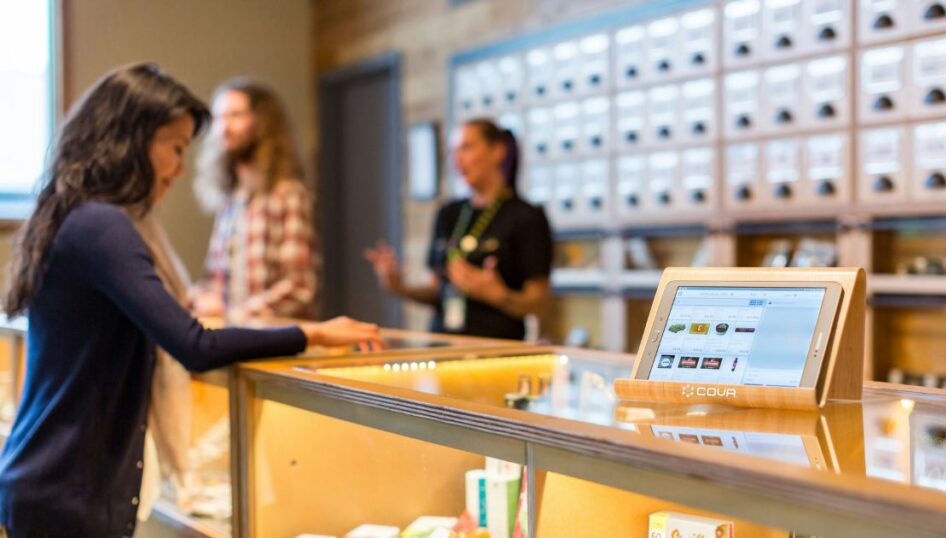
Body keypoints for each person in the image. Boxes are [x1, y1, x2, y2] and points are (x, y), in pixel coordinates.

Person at [0, 63, 382, 537]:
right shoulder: (101, 225)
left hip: (60, 484)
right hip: (67, 491)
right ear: (134, 139)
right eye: (176, 147)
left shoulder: (81, 216)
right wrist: (313, 332)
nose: (181, 168)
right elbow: (193, 344)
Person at [364, 119, 553, 340]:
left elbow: (539, 303)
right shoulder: (449, 213)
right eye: (453, 151)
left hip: (496, 350)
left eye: (467, 148)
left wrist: (498, 295)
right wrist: (397, 286)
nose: (457, 159)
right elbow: (437, 291)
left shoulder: (526, 217)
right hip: (443, 346)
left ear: (497, 151)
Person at [192, 78, 317, 320]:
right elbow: (213, 281)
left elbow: (299, 288)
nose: (224, 128)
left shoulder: (288, 195)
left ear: (262, 122)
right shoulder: (231, 200)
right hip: (236, 342)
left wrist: (232, 314)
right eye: (220, 117)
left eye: (235, 115)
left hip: (277, 345)